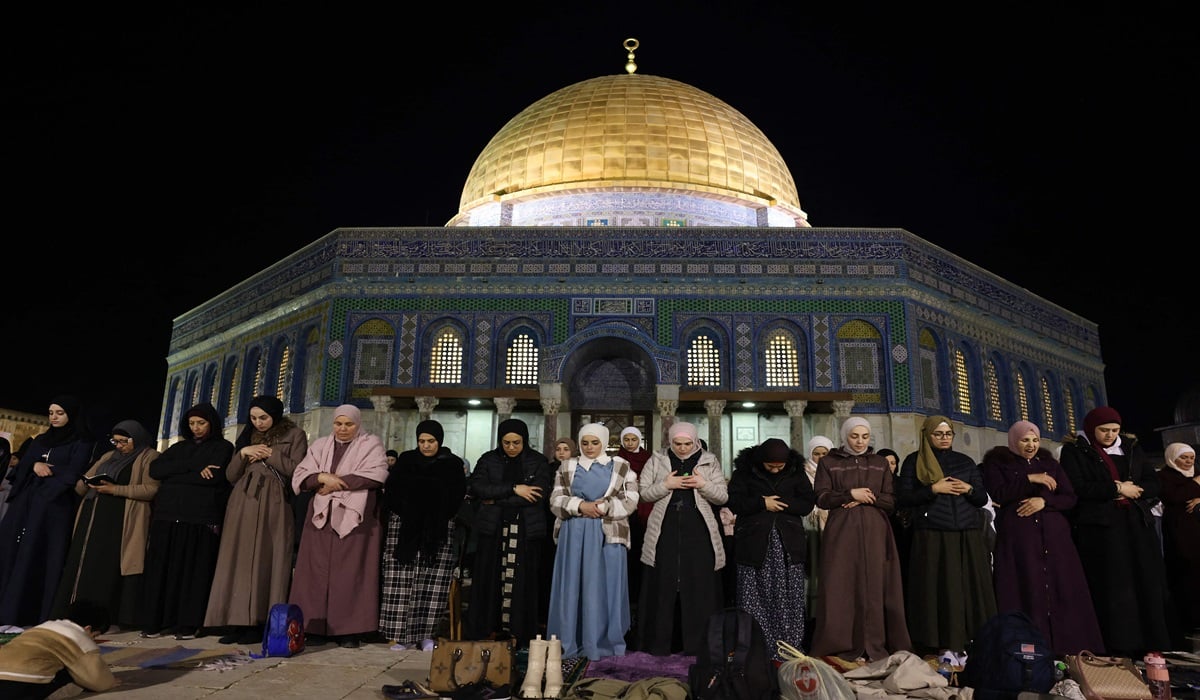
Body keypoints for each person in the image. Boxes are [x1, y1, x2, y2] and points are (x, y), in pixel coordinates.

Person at [981, 420, 1103, 656]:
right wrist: (1029, 479)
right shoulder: (998, 464)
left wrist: (1044, 502)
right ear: (1014, 441)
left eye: (1035, 440)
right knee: (1025, 586)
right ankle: (1027, 647)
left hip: (1054, 537)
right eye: (1025, 440)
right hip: (1019, 538)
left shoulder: (1050, 464)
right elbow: (999, 493)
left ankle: (1069, 646)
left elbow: (1069, 497)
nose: (1031, 445)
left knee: (1061, 587)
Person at [1058, 406, 1172, 657]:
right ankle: (1119, 644)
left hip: (1137, 526)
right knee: (1114, 587)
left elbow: (1153, 483)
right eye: (1104, 430)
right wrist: (1116, 489)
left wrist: (1135, 490)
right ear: (1091, 429)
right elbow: (1078, 487)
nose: (1110, 435)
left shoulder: (1131, 448)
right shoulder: (1076, 451)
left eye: (1114, 430)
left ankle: (1151, 642)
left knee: (1145, 583)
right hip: (1102, 531)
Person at [204, 396, 309, 645]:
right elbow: (230, 475)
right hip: (242, 502)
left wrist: (270, 454)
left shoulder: (295, 434)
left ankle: (261, 622)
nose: (258, 423)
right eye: (253, 418)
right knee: (237, 560)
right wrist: (243, 453)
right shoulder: (247, 436)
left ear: (275, 415)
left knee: (266, 559)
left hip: (273, 502)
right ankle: (236, 620)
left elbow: (297, 471)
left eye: (263, 417)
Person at [810, 417, 912, 662]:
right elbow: (822, 497)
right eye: (855, 436)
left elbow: (890, 501)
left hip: (876, 532)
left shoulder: (879, 463)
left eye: (864, 437)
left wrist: (868, 498)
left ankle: (875, 643)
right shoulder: (829, 462)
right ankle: (842, 642)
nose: (859, 441)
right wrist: (850, 494)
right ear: (846, 435)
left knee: (876, 585)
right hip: (842, 532)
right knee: (841, 584)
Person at [289, 403, 389, 649]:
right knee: (315, 571)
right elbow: (302, 474)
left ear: (358, 424)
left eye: (349, 424)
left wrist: (336, 482)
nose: (343, 429)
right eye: (338, 423)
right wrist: (322, 478)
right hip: (321, 517)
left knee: (352, 573)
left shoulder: (371, 444)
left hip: (356, 518)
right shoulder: (320, 445)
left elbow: (376, 474)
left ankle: (349, 630)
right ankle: (312, 626)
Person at [896, 416, 995, 656]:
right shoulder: (914, 461)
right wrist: (933, 490)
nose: (944, 438)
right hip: (933, 533)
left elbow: (981, 498)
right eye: (938, 434)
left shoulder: (965, 461)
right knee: (939, 589)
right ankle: (938, 641)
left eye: (948, 434)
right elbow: (904, 498)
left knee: (969, 588)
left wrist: (968, 489)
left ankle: (974, 639)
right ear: (927, 435)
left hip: (966, 533)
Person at [51, 419, 160, 631]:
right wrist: (87, 482)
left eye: (123, 441)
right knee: (85, 564)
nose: (119, 446)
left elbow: (151, 489)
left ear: (135, 438)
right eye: (115, 441)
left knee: (106, 568)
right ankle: (78, 617)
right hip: (92, 516)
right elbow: (81, 486)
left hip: (119, 520)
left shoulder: (149, 457)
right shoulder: (108, 457)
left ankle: (105, 619)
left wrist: (115, 489)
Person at [140, 402, 234, 640]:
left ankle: (187, 623)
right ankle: (158, 622)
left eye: (201, 423)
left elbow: (213, 478)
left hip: (199, 520)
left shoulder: (223, 447)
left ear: (212, 423)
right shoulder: (179, 447)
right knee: (163, 570)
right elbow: (156, 470)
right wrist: (195, 466)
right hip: (168, 517)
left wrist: (178, 473)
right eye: (192, 423)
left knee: (193, 572)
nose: (196, 428)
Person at [0, 396, 96, 627]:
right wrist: (34, 465)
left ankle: (40, 612)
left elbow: (76, 471)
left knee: (45, 554)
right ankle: (11, 611)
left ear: (70, 415)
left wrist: (52, 474)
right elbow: (22, 466)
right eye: (51, 412)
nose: (53, 417)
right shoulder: (40, 440)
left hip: (54, 506)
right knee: (17, 552)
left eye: (59, 413)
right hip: (28, 503)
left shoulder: (82, 441)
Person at [547, 423, 638, 660]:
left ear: (605, 442)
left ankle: (602, 642)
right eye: (585, 443)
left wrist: (604, 507)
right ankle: (571, 640)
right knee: (573, 586)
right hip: (574, 533)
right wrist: (580, 506)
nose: (589, 447)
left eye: (595, 442)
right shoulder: (567, 466)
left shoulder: (621, 466)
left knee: (605, 586)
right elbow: (555, 499)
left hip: (607, 534)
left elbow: (631, 500)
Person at [636, 422, 728, 657]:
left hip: (699, 531)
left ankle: (698, 645)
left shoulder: (709, 460)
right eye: (678, 444)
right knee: (664, 584)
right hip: (664, 530)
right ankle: (660, 644)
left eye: (688, 444)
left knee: (698, 585)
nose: (683, 448)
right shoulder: (658, 459)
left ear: (695, 441)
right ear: (670, 441)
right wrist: (667, 485)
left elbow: (722, 496)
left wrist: (703, 484)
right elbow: (643, 492)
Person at [465, 418, 554, 646]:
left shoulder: (537, 461)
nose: (512, 447)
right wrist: (515, 488)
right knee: (490, 579)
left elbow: (537, 495)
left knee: (522, 581)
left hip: (525, 531)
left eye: (516, 442)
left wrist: (494, 499)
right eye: (507, 442)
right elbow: (477, 487)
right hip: (493, 531)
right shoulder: (489, 459)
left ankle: (519, 632)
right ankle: (488, 629)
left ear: (524, 440)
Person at [379, 419, 467, 648]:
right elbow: (392, 491)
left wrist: (433, 510)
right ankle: (400, 637)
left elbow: (456, 496)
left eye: (431, 441)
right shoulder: (407, 461)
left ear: (440, 441)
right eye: (422, 441)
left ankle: (426, 635)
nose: (426, 446)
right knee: (401, 584)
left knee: (431, 585)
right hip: (404, 530)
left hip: (437, 533)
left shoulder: (451, 464)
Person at [726, 438, 815, 660]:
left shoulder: (795, 471)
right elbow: (734, 502)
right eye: (770, 466)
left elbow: (807, 503)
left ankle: (788, 646)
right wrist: (761, 503)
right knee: (754, 596)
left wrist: (782, 504)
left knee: (788, 597)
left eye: (779, 466)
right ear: (760, 461)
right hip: (754, 544)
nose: (775, 470)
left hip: (788, 545)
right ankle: (757, 648)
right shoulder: (744, 472)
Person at [0, 598, 117, 698]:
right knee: (74, 677)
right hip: (21, 687)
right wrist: (109, 682)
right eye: (95, 636)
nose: (93, 640)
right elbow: (97, 680)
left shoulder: (42, 627)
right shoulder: (81, 638)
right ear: (88, 629)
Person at [1158, 442, 1200, 645]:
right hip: (1179, 532)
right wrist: (1196, 485)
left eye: (1191, 458)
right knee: (1186, 575)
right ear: (1173, 458)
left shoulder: (1196, 473)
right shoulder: (1166, 476)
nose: (1188, 462)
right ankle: (1189, 622)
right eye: (1184, 458)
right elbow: (1173, 496)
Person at [616, 426, 652, 635]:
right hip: (623, 514)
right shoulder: (617, 460)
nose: (630, 443)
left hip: (645, 514)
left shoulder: (648, 459)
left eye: (633, 439)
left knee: (642, 558)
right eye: (626, 439)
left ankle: (640, 603)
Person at [801, 435, 832, 648]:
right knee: (810, 571)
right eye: (816, 454)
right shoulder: (802, 474)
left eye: (824, 454)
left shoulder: (835, 472)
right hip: (809, 527)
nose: (820, 458)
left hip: (833, 527)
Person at [876, 447, 913, 588]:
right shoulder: (874, 483)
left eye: (893, 463)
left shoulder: (902, 482)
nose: (890, 466)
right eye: (885, 463)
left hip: (901, 530)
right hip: (880, 528)